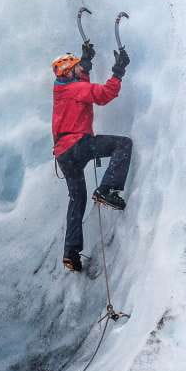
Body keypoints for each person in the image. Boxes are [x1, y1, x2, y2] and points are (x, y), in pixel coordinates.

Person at [51, 43, 132, 272]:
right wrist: (118, 72)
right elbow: (104, 95)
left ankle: (71, 253)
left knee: (77, 200)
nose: (78, 69)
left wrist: (85, 64)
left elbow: (81, 88)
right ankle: (107, 189)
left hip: (64, 155)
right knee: (123, 144)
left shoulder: (62, 88)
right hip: (78, 145)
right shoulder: (74, 89)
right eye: (76, 66)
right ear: (69, 71)